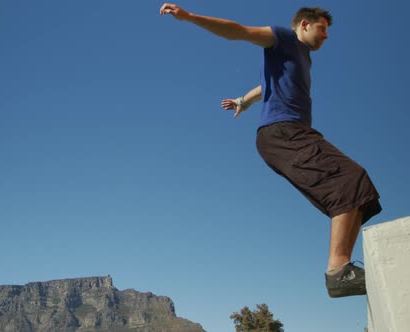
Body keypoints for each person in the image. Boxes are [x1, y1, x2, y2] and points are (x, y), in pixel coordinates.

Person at [160, 3, 382, 298]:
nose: (326, 36)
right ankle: (338, 270)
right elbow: (237, 32)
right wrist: (189, 17)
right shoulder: (283, 37)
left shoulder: (300, 58)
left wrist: (243, 100)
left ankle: (344, 270)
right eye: (322, 29)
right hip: (282, 133)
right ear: (304, 24)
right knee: (348, 180)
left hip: (292, 134)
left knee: (360, 188)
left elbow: (266, 85)